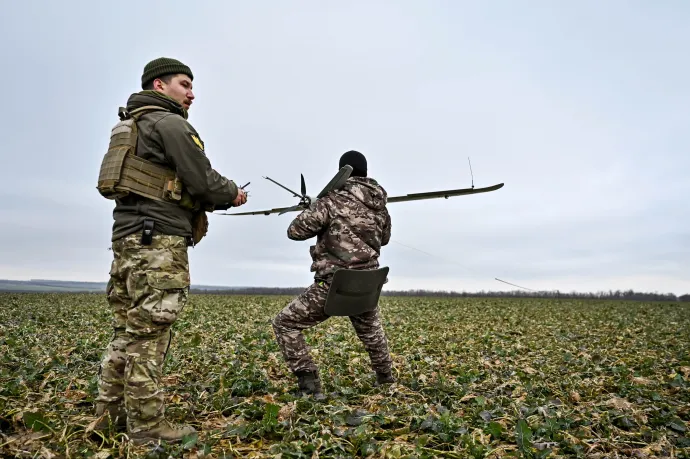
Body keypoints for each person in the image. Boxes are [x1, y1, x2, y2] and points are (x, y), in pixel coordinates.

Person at [94, 57, 248, 444]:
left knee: (126, 332)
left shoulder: (128, 126)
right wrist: (232, 193)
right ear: (158, 86)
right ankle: (147, 428)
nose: (192, 93)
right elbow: (203, 181)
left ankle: (107, 418)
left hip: (127, 239)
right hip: (158, 241)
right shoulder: (171, 123)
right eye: (184, 84)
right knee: (151, 334)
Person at [271, 150, 396, 398]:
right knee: (372, 334)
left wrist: (314, 206)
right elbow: (385, 238)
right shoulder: (380, 206)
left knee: (284, 323)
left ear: (343, 172)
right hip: (367, 283)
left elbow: (294, 231)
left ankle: (309, 386)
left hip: (335, 285)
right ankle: (387, 381)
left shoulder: (331, 201)